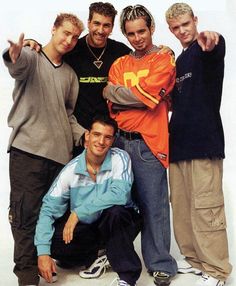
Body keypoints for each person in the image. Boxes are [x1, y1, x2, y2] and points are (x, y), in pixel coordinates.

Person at [2, 13, 85, 286]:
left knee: (53, 217)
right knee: (25, 216)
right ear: (53, 29)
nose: (70, 40)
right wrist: (15, 53)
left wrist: (86, 137)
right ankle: (27, 277)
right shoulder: (32, 58)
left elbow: (68, 116)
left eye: (75, 37)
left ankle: (49, 261)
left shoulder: (71, 76)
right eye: (66, 33)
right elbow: (18, 65)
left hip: (60, 158)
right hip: (29, 152)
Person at [103, 5, 177, 286]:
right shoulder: (120, 63)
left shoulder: (164, 58)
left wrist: (127, 94)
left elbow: (151, 98)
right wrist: (133, 95)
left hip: (149, 143)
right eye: (131, 33)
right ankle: (119, 258)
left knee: (153, 206)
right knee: (118, 203)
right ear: (125, 34)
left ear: (152, 28)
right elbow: (110, 98)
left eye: (142, 31)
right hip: (120, 142)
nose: (137, 38)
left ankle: (161, 264)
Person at [165, 3, 232, 286]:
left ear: (195, 20)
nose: (182, 31)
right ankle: (195, 260)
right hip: (178, 146)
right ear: (171, 29)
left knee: (206, 208)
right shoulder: (178, 63)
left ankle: (216, 270)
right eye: (176, 28)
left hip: (204, 144)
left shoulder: (205, 51)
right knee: (181, 208)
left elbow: (215, 47)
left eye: (186, 24)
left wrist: (213, 41)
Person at [34, 115, 142, 286]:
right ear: (87, 135)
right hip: (91, 226)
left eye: (107, 137)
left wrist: (78, 213)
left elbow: (120, 194)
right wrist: (43, 254)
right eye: (97, 135)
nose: (101, 141)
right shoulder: (71, 170)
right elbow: (48, 209)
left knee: (115, 212)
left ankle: (127, 277)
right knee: (50, 243)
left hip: (122, 221)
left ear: (113, 140)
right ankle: (100, 254)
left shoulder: (120, 158)